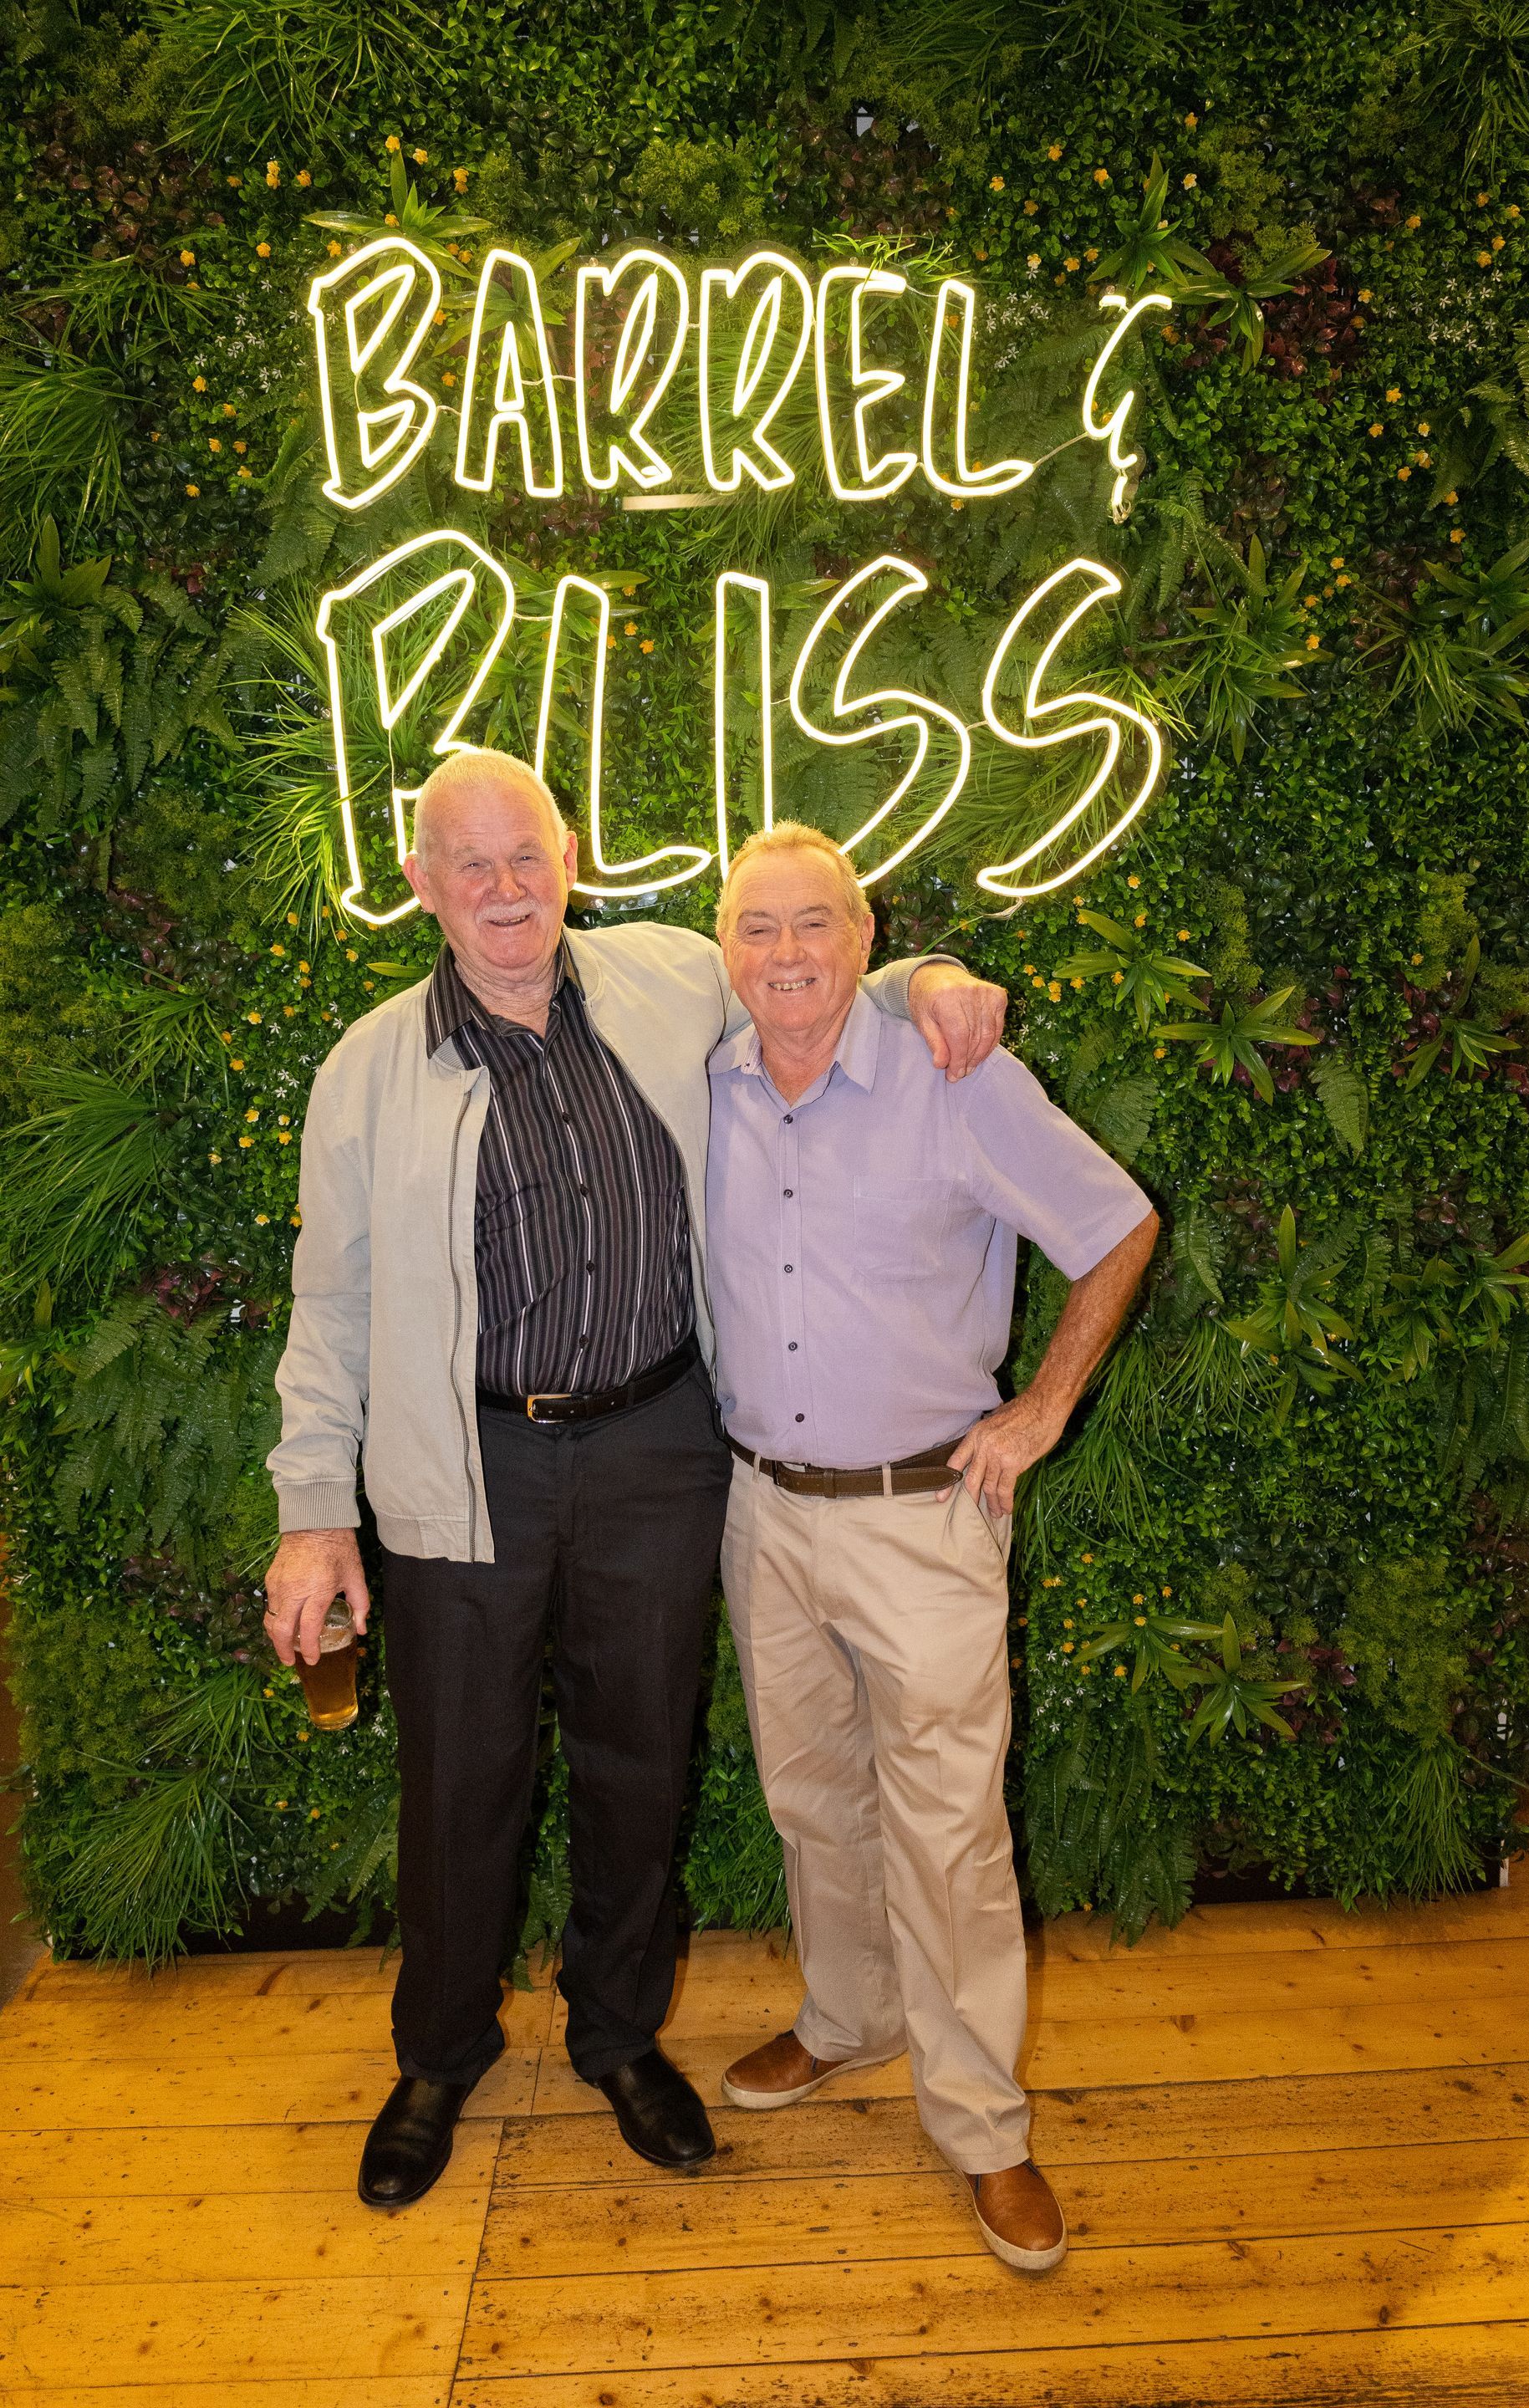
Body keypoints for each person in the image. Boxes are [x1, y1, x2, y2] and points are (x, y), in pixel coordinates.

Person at [261, 749, 1006, 2210]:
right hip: (462, 1463)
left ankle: (615, 2035)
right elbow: (327, 1304)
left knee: (640, 1759)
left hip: (659, 1444)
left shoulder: (673, 976)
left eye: (524, 853)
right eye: (467, 863)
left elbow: (812, 979)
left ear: (572, 855)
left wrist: (928, 974)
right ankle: (439, 2054)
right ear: (419, 884)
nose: (502, 888)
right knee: (461, 1777)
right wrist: (310, 1512)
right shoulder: (367, 1072)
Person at [708, 821, 1158, 2274]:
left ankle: (982, 2127)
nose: (785, 956)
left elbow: (1117, 1225)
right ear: (725, 950)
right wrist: (925, 967)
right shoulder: (702, 1073)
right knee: (808, 1794)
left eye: (815, 927)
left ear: (864, 935)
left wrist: (1042, 1407)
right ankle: (847, 2019)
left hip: (923, 1520)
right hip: (764, 1510)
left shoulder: (956, 1077)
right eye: (757, 928)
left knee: (953, 1839)